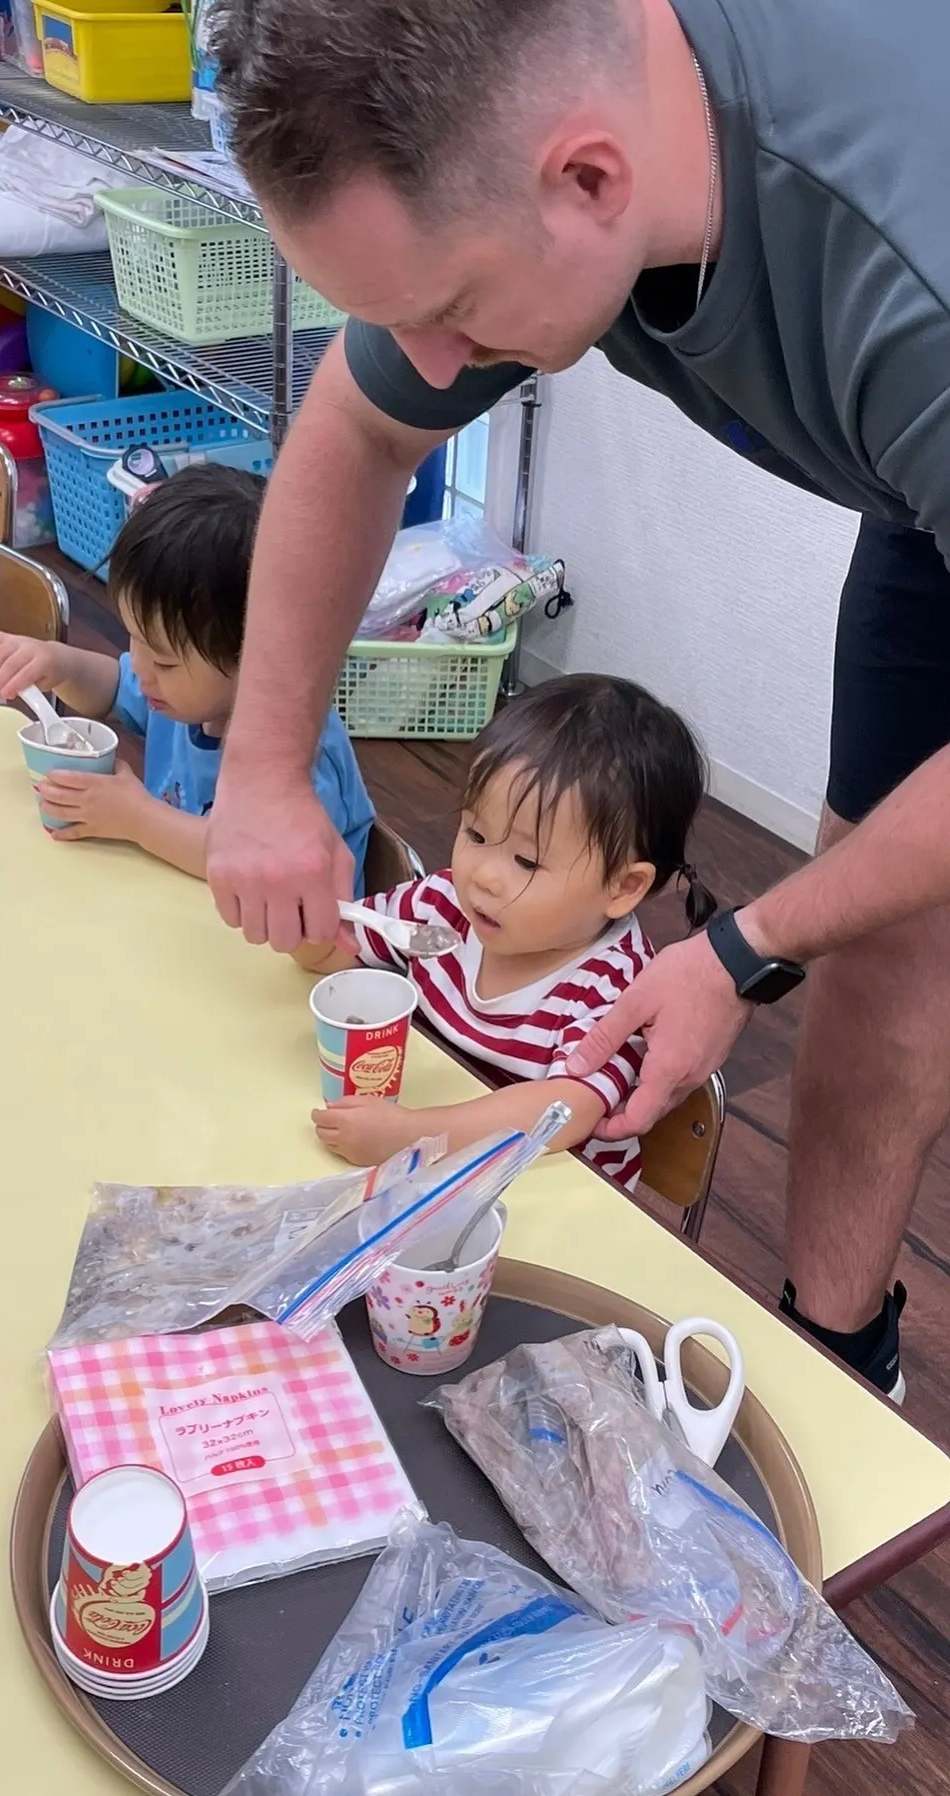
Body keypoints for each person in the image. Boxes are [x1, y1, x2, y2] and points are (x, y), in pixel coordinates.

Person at [203, 0, 950, 1398]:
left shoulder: (910, 279)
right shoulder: (543, 148)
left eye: (446, 311)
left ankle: (852, 1399)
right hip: (925, 484)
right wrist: (261, 770)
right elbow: (357, 431)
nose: (431, 368)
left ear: (590, 178)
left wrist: (741, 953)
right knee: (890, 919)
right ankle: (835, 1352)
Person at [294, 675, 712, 1187]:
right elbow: (347, 960)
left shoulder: (616, 984)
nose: (484, 876)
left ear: (622, 887)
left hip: (549, 1195)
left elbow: (566, 1108)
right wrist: (309, 932)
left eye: (527, 860)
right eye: (475, 833)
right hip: (436, 1178)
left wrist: (415, 1138)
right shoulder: (442, 906)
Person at [0, 463, 375, 886]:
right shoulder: (177, 695)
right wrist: (59, 664)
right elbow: (113, 686)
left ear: (263, 653)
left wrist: (137, 818)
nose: (144, 670)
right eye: (135, 639)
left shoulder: (301, 759)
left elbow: (256, 862)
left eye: (165, 661)